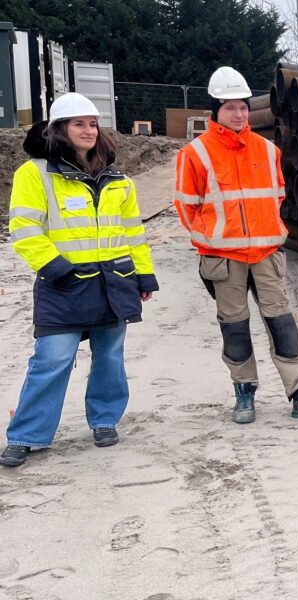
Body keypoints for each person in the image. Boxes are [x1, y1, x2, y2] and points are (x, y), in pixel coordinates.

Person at [174, 66, 298, 424]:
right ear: (214, 111)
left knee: (282, 324)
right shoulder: (195, 153)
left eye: (243, 107)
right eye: (230, 107)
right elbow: (186, 207)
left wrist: (267, 232)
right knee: (234, 328)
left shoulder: (267, 150)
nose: (239, 114)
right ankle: (244, 391)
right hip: (223, 257)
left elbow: (278, 195)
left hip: (265, 254)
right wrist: (211, 238)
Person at [1, 93, 158, 467]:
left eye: (92, 123)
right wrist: (55, 267)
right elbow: (23, 228)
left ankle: (104, 420)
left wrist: (143, 273)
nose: (88, 130)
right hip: (64, 284)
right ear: (60, 129)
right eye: (79, 124)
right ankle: (27, 434)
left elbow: (132, 231)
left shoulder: (117, 178)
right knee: (51, 359)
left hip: (113, 281)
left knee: (109, 357)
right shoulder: (35, 172)